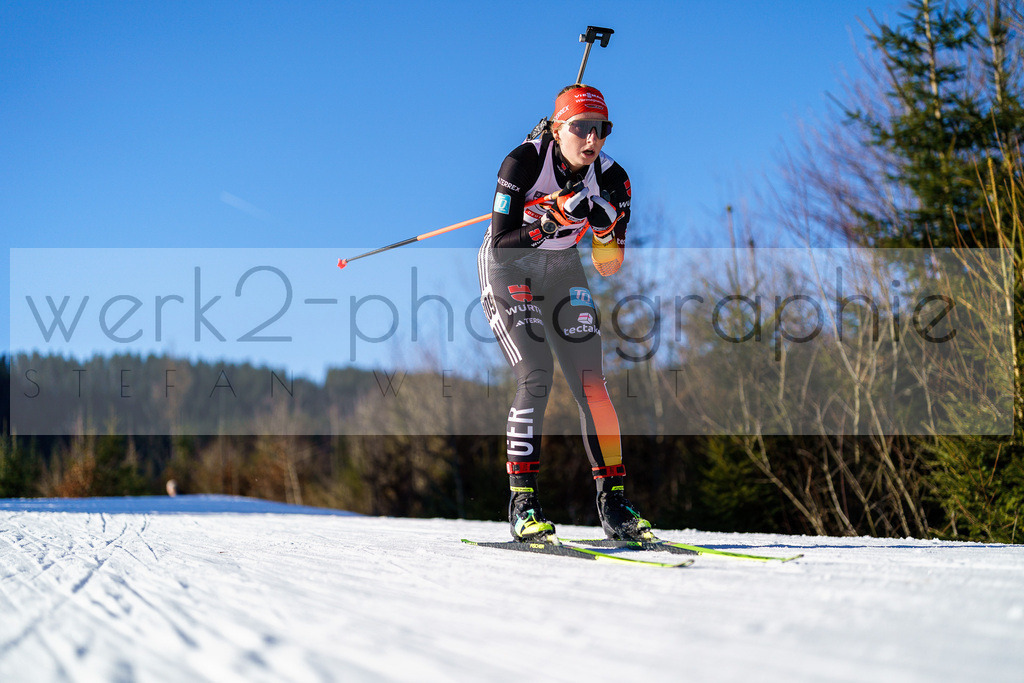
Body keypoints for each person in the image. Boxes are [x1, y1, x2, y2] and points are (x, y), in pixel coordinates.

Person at [477, 84, 653, 543]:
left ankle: (613, 503)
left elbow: (609, 265)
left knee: (592, 383)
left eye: (601, 129)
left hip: (562, 270)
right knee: (536, 373)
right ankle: (523, 503)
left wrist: (605, 228)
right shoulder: (523, 162)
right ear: (558, 128)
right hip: (510, 266)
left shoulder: (614, 180)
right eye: (580, 128)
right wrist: (546, 223)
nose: (591, 139)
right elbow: (501, 245)